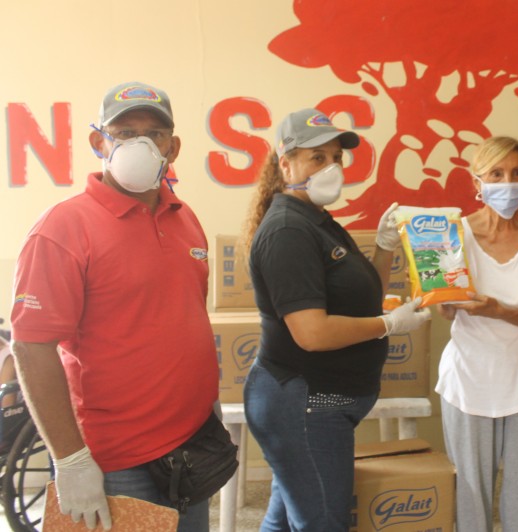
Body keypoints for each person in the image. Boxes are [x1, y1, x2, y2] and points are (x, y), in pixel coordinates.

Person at [11, 82, 219, 531]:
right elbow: (31, 346)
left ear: (172, 148)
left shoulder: (183, 217)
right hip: (116, 462)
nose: (140, 144)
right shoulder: (64, 228)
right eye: (125, 133)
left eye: (154, 134)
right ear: (98, 142)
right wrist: (71, 460)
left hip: (190, 445)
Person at [241, 108, 431, 532]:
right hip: (306, 403)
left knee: (286, 520)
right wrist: (389, 325)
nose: (331, 168)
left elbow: (362, 300)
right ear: (285, 164)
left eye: (336, 158)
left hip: (319, 402)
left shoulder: (317, 220)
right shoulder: (288, 231)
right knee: (322, 522)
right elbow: (312, 333)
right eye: (317, 158)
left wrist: (384, 247)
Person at [435, 136, 518, 532]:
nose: (508, 182)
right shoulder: (453, 234)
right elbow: (446, 310)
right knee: (469, 497)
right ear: (477, 182)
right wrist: (437, 295)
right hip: (468, 381)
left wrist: (499, 311)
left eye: (517, 172)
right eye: (496, 174)